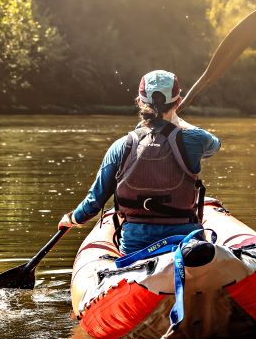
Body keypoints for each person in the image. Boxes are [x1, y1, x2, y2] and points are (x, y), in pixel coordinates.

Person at [58, 70, 221, 255]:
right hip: (186, 244)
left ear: (139, 102)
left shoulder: (121, 146)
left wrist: (72, 218)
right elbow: (214, 145)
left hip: (135, 247)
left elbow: (94, 204)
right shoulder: (195, 140)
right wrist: (179, 124)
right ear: (178, 103)